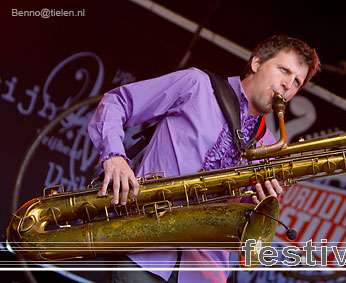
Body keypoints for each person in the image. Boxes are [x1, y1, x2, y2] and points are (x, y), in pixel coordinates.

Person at [88, 34, 320, 282]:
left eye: (297, 82)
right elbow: (117, 102)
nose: (288, 85)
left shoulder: (271, 145)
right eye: (284, 70)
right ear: (256, 63)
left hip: (205, 273)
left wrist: (258, 202)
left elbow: (241, 225)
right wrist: (115, 156)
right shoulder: (196, 85)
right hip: (146, 252)